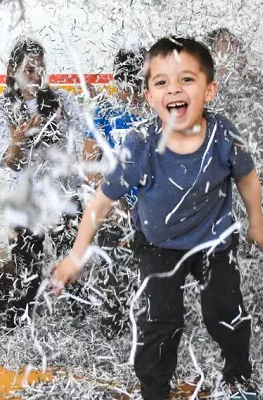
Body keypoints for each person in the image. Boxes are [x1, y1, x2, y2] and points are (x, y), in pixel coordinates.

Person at [53, 36, 263, 400]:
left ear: (209, 90)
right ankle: (155, 391)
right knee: (159, 321)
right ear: (149, 96)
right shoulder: (140, 143)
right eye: (161, 82)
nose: (174, 88)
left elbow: (247, 178)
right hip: (158, 244)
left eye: (187, 79)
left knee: (225, 311)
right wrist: (76, 254)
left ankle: (238, 375)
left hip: (214, 241)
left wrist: (256, 221)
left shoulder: (223, 134)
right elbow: (101, 203)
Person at [0, 38, 91, 326]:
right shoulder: (1, 111)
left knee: (72, 272)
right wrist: (19, 141)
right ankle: (19, 326)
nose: (36, 76)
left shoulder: (62, 100)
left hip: (64, 199)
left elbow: (90, 128)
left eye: (40, 70)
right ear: (12, 70)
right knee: (26, 274)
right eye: (29, 70)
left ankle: (78, 326)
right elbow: (10, 162)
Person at [81, 48, 147, 339]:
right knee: (115, 280)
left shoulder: (159, 113)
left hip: (153, 214)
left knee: (152, 281)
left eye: (139, 85)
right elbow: (88, 165)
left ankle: (146, 334)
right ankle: (114, 331)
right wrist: (113, 196)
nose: (132, 95)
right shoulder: (104, 113)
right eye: (127, 86)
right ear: (117, 81)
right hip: (116, 214)